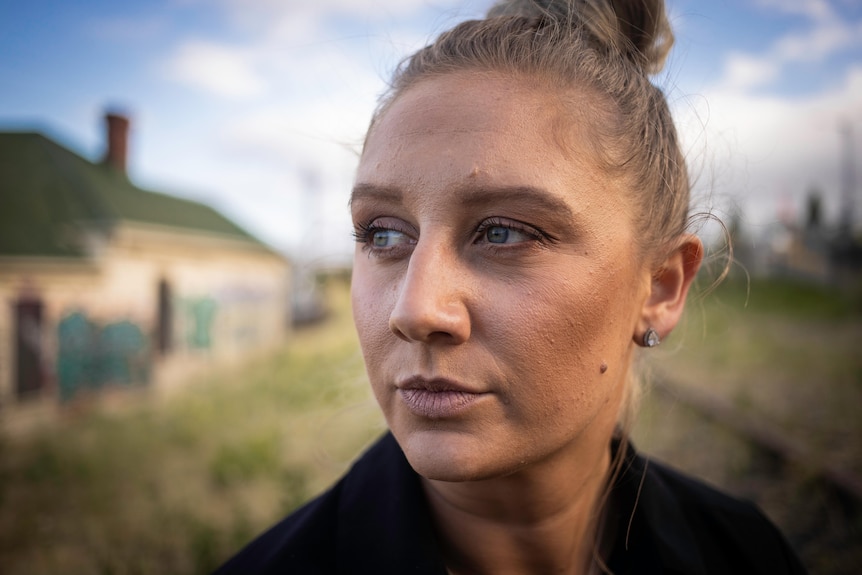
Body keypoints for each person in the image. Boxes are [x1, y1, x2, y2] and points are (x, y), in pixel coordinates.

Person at [214, 1, 807, 573]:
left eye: (502, 232)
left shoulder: (748, 553)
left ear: (660, 288)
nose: (415, 310)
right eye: (384, 235)